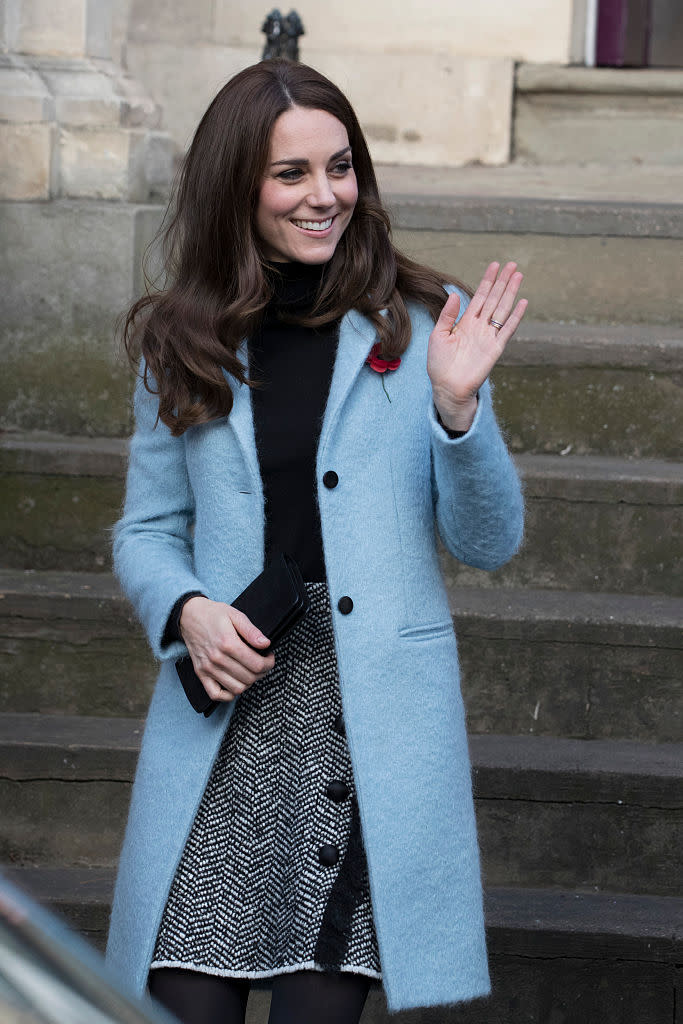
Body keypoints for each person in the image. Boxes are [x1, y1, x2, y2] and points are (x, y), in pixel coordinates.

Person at [105, 58, 526, 1023]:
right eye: (291, 174)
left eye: (339, 168)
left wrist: (458, 410)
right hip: (225, 715)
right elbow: (146, 527)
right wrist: (186, 610)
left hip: (359, 728)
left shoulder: (424, 326)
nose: (324, 194)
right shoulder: (184, 339)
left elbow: (489, 541)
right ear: (236, 189)